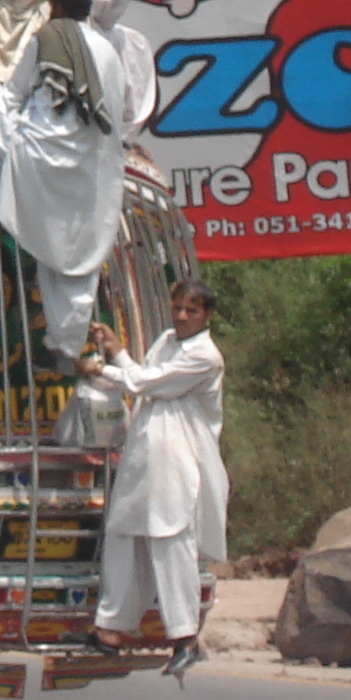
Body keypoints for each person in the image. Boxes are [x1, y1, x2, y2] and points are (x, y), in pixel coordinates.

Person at [0, 0, 126, 370]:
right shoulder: (109, 51)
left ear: (54, 7)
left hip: (33, 165)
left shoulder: (45, 39)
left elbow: (11, 94)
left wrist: (29, 121)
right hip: (90, 172)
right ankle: (65, 346)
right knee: (77, 257)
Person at [81, 278, 226, 673]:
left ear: (206, 315)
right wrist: (116, 352)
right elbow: (141, 377)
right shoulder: (166, 340)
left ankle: (184, 637)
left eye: (191, 310)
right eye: (178, 307)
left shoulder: (205, 356)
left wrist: (103, 366)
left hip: (177, 461)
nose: (181, 316)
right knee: (125, 537)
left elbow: (146, 383)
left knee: (170, 540)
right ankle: (110, 631)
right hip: (143, 454)